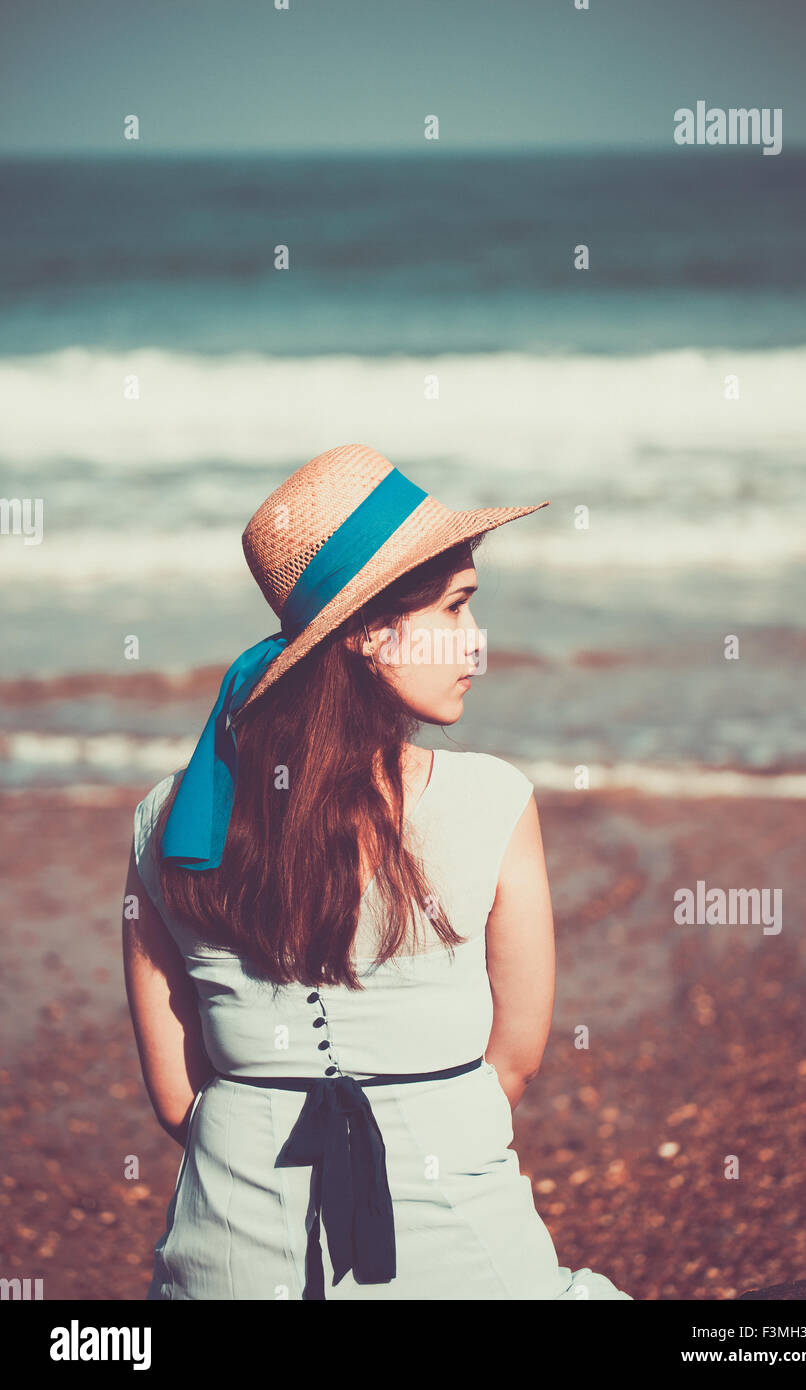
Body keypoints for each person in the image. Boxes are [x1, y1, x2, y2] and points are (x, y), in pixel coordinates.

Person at [122, 442, 633, 1301]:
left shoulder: (165, 821)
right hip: (464, 1262)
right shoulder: (491, 801)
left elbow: (179, 1098)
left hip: (222, 1269)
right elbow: (514, 1063)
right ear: (363, 633)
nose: (477, 647)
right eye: (457, 609)